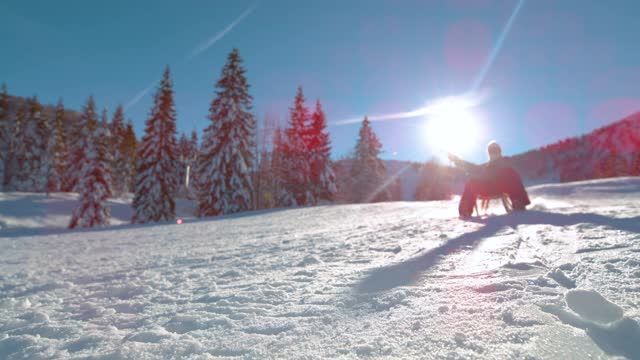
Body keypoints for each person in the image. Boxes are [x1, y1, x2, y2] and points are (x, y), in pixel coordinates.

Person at [448, 141, 530, 218]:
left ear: (499, 151)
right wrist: (457, 160)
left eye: (495, 150)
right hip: (487, 189)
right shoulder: (486, 166)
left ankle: (519, 201)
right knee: (471, 180)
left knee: (510, 172)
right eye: (491, 151)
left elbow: (514, 176)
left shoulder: (506, 161)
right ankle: (465, 209)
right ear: (489, 153)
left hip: (502, 187)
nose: (494, 152)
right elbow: (472, 167)